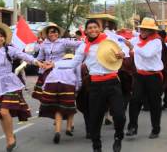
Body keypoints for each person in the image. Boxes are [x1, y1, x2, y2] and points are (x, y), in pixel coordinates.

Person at [47, 19, 127, 152]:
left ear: (99, 28)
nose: (93, 30)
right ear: (86, 30)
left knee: (119, 115)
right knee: (95, 119)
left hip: (113, 82)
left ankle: (118, 137)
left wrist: (122, 52)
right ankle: (97, 146)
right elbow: (73, 63)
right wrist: (55, 64)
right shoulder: (84, 46)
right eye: (90, 28)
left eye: (95, 27)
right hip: (95, 85)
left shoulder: (109, 39)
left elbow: (123, 45)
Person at [0, 23, 43, 152]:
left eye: (1, 36)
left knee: (4, 111)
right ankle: (9, 138)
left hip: (10, 84)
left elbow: (23, 56)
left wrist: (36, 62)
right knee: (1, 115)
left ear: (5, 38)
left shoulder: (9, 50)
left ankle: (11, 137)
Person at [126, 18, 167, 139]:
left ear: (151, 31)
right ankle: (132, 127)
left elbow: (147, 54)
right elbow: (124, 45)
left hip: (154, 76)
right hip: (139, 75)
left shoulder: (156, 42)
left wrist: (132, 47)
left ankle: (156, 129)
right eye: (142, 29)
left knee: (155, 103)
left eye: (147, 29)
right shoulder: (136, 39)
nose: (143, 31)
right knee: (134, 101)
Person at [33, 24, 81, 101]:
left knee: (60, 95)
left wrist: (78, 56)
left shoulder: (63, 42)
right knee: (45, 96)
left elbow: (79, 44)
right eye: (51, 32)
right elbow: (39, 58)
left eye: (55, 32)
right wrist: (41, 63)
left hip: (60, 71)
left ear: (58, 33)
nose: (53, 34)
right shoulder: (44, 44)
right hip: (46, 71)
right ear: (47, 34)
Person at [39, 53, 79, 144]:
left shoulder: (57, 62)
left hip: (52, 84)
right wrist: (77, 88)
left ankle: (57, 131)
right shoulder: (76, 62)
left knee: (58, 108)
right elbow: (78, 78)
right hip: (67, 85)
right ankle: (68, 128)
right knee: (70, 106)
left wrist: (44, 87)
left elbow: (49, 75)